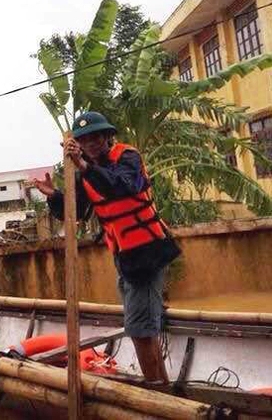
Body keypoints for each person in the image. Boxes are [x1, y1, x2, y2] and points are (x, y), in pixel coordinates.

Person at [33, 111, 181, 383]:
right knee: (142, 330)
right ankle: (161, 387)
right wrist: (54, 195)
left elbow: (122, 186)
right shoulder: (85, 171)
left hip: (148, 253)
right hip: (124, 258)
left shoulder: (128, 158)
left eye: (96, 137)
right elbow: (76, 211)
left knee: (139, 330)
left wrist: (84, 166)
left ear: (107, 137)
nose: (91, 144)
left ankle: (157, 390)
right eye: (84, 140)